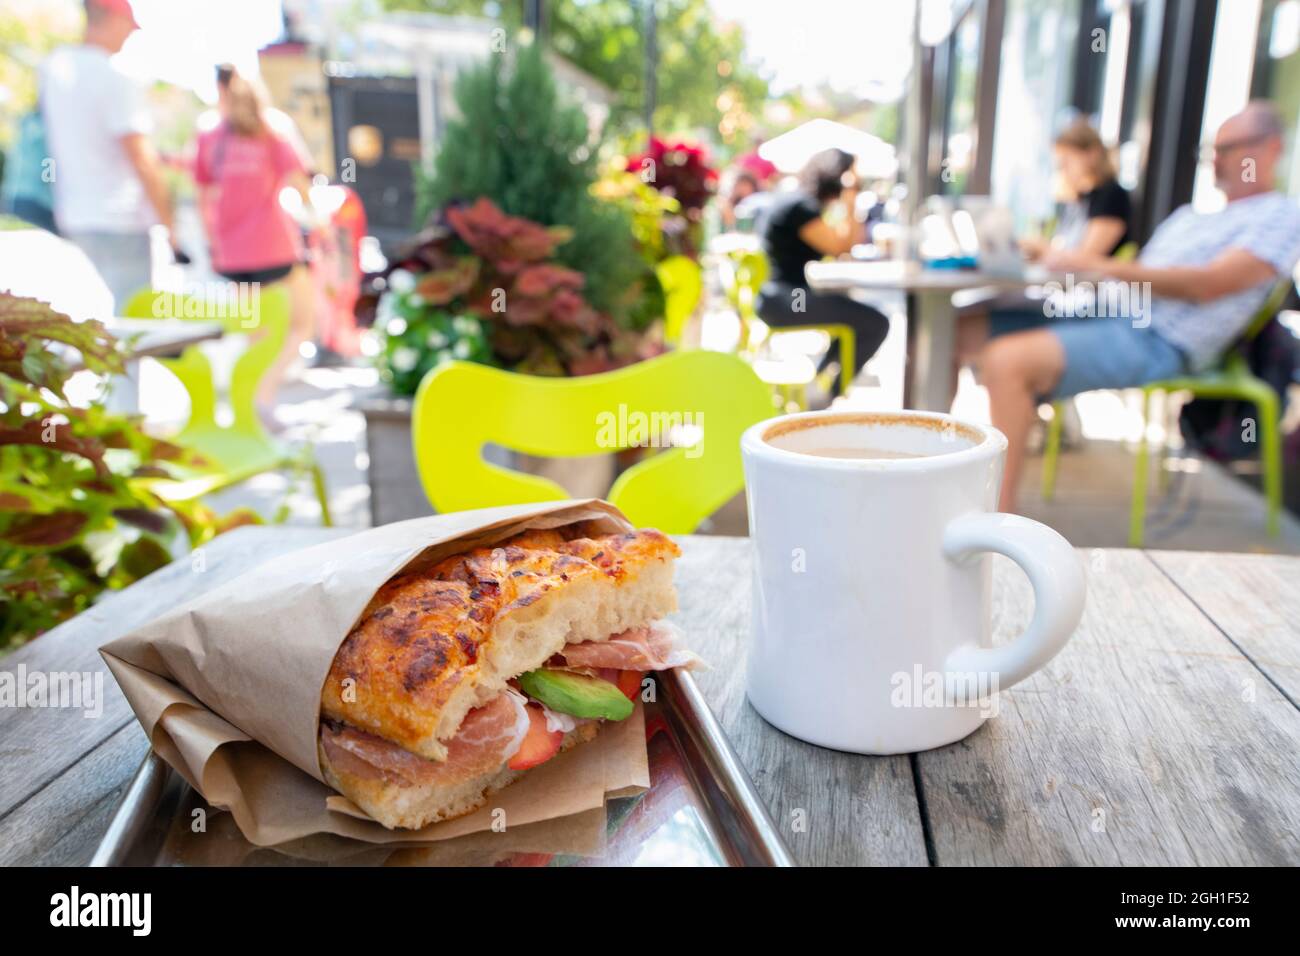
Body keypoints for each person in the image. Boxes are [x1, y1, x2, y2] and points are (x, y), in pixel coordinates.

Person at [977, 102, 1300, 512]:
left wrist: (1092, 264)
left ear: (1271, 149)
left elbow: (1207, 285)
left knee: (1007, 361)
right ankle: (930, 464)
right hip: (1109, 311)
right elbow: (1136, 274)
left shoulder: (1282, 216)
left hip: (1161, 338)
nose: (1216, 160)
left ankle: (994, 517)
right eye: (1213, 149)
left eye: (1230, 148)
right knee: (963, 326)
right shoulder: (1190, 216)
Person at [40, 0, 181, 309]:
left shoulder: (54, 68)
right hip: (122, 221)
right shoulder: (116, 76)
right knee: (131, 329)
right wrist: (170, 227)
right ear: (114, 18)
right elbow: (142, 159)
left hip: (73, 217)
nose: (129, 36)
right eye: (129, 27)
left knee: (87, 324)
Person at [193, 65, 316, 420]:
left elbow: (204, 198)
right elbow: (300, 185)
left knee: (257, 333)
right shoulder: (273, 130)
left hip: (232, 255)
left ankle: (252, 399)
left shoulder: (208, 135)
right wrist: (315, 217)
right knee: (300, 326)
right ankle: (262, 396)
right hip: (274, 247)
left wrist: (212, 244)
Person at [957, 118, 1132, 361]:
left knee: (955, 331)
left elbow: (1086, 260)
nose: (1062, 170)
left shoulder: (1112, 197)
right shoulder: (1080, 200)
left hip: (1081, 307)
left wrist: (1043, 249)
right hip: (1061, 297)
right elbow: (1065, 253)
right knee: (957, 317)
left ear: (1091, 155)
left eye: (1066, 162)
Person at [755, 148, 890, 393]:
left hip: (778, 298)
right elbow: (842, 246)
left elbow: (844, 244)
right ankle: (828, 395)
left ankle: (819, 387)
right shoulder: (801, 207)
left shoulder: (799, 202)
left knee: (853, 314)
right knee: (876, 322)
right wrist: (851, 200)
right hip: (787, 301)